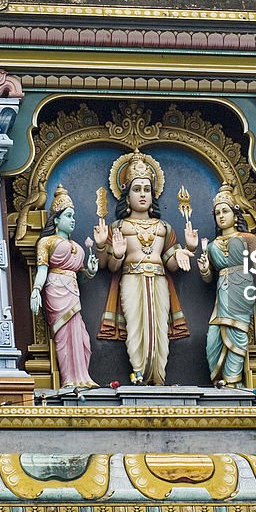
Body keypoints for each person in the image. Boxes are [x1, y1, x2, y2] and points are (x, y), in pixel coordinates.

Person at [94, 150, 197, 385]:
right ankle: (140, 373)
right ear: (126, 195)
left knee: (159, 329)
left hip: (158, 280)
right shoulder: (119, 226)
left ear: (153, 194)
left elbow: (171, 263)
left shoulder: (164, 227)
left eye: (147, 189)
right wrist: (108, 249)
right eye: (136, 189)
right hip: (131, 279)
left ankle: (158, 376)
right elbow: (108, 265)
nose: (142, 194)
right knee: (136, 329)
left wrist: (187, 251)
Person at [197, 184, 256, 385]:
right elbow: (208, 279)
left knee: (237, 333)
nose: (221, 216)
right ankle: (219, 378)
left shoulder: (247, 239)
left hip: (241, 286)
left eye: (225, 211)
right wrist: (204, 269)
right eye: (217, 213)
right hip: (222, 290)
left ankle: (232, 380)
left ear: (235, 214)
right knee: (213, 338)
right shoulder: (212, 246)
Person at [31, 186, 98, 388]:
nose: (73, 220)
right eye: (68, 216)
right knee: (64, 335)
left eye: (74, 216)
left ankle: (83, 377)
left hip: (73, 289)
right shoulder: (46, 242)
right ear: (57, 220)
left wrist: (90, 272)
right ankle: (69, 378)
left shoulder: (78, 247)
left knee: (82, 338)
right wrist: (36, 290)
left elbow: (81, 278)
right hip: (56, 289)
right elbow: (42, 269)